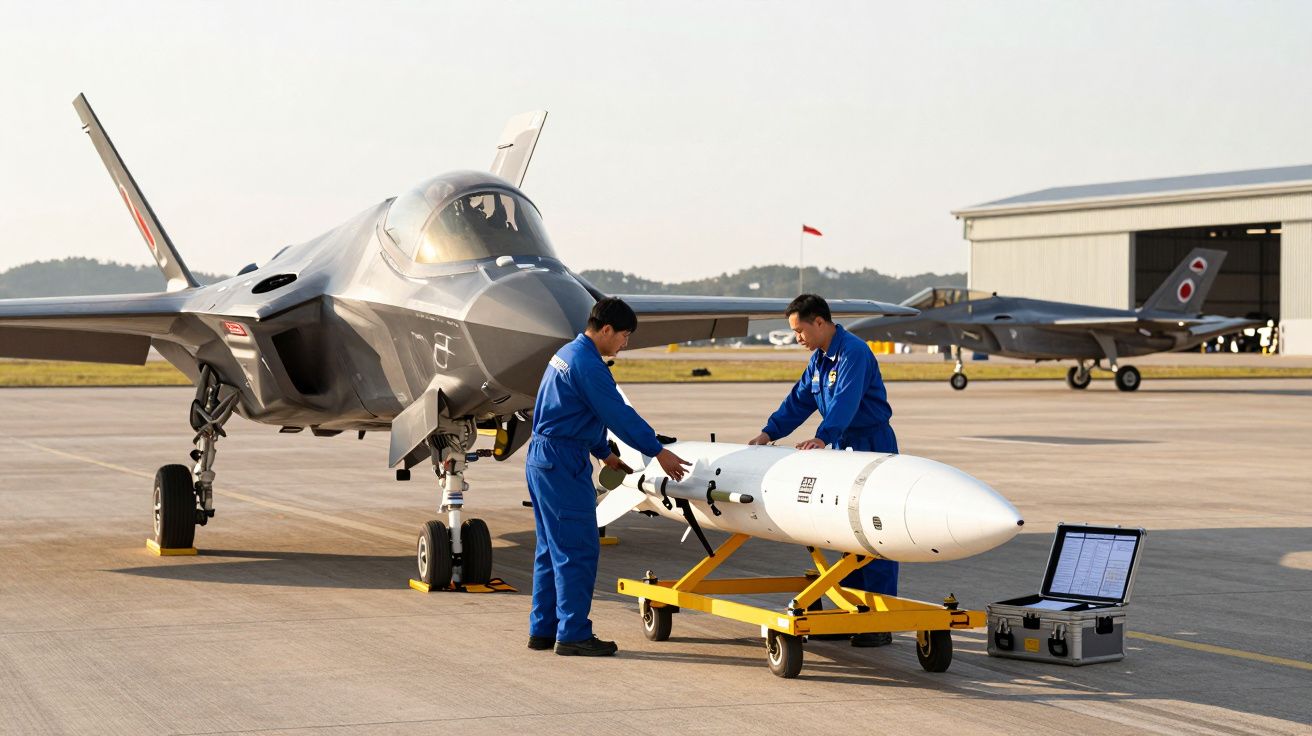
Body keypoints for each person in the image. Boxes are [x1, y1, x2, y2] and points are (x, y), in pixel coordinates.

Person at [526, 297, 690, 656]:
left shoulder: (567, 353)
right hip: (562, 462)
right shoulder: (589, 364)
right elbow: (618, 414)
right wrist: (658, 451)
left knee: (550, 548)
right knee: (577, 549)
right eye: (623, 336)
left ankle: (543, 629)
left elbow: (579, 413)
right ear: (605, 330)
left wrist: (605, 454)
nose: (624, 344)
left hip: (544, 457)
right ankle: (572, 635)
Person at [748, 294, 900, 647]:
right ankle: (852, 612)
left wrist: (822, 437)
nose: (796, 338)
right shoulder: (818, 362)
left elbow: (846, 401)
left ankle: (878, 620)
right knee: (847, 531)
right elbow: (798, 401)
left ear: (820, 322)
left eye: (799, 331)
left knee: (876, 533)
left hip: (870, 444)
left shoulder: (853, 353)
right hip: (842, 448)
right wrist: (768, 432)